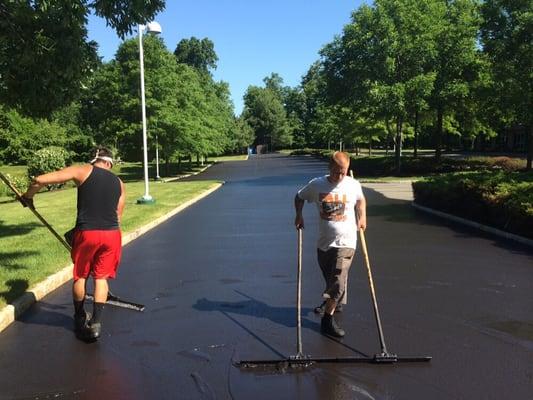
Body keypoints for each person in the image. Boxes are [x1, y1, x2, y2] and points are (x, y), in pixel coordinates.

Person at [22, 147, 125, 342]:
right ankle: (95, 323)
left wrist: (28, 196)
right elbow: (118, 215)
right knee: (101, 278)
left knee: (81, 276)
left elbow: (40, 180)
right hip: (112, 235)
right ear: (109, 163)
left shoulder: (82, 170)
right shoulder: (119, 183)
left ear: (94, 160)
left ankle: (79, 317)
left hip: (87, 233)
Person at [294, 151, 366, 338]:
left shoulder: (352, 185)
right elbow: (299, 197)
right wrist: (299, 215)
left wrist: (363, 217)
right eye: (336, 172)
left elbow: (360, 200)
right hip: (324, 243)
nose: (340, 176)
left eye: (343, 172)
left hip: (347, 241)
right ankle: (335, 302)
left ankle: (327, 320)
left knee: (338, 278)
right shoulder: (317, 185)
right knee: (332, 279)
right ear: (329, 168)